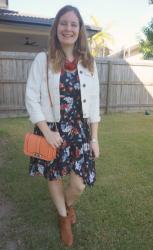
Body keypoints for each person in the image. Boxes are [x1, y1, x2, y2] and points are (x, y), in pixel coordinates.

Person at [25, 5, 100, 247]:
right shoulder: (43, 59)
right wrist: (46, 132)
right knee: (55, 175)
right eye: (64, 23)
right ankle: (63, 218)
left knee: (78, 184)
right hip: (52, 129)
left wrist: (95, 138)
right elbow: (31, 97)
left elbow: (95, 102)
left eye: (73, 24)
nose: (68, 28)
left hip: (79, 131)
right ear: (56, 27)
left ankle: (66, 206)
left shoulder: (89, 62)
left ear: (79, 30)